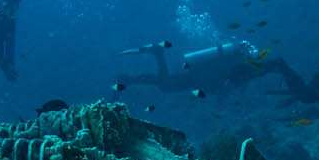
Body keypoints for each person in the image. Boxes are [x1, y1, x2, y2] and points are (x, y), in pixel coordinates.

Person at [112, 38, 306, 98]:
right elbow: (228, 83)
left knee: (164, 85)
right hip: (202, 76)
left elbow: (229, 81)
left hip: (202, 76)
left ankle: (155, 56)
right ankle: (155, 56)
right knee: (165, 85)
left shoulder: (237, 70)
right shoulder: (237, 70)